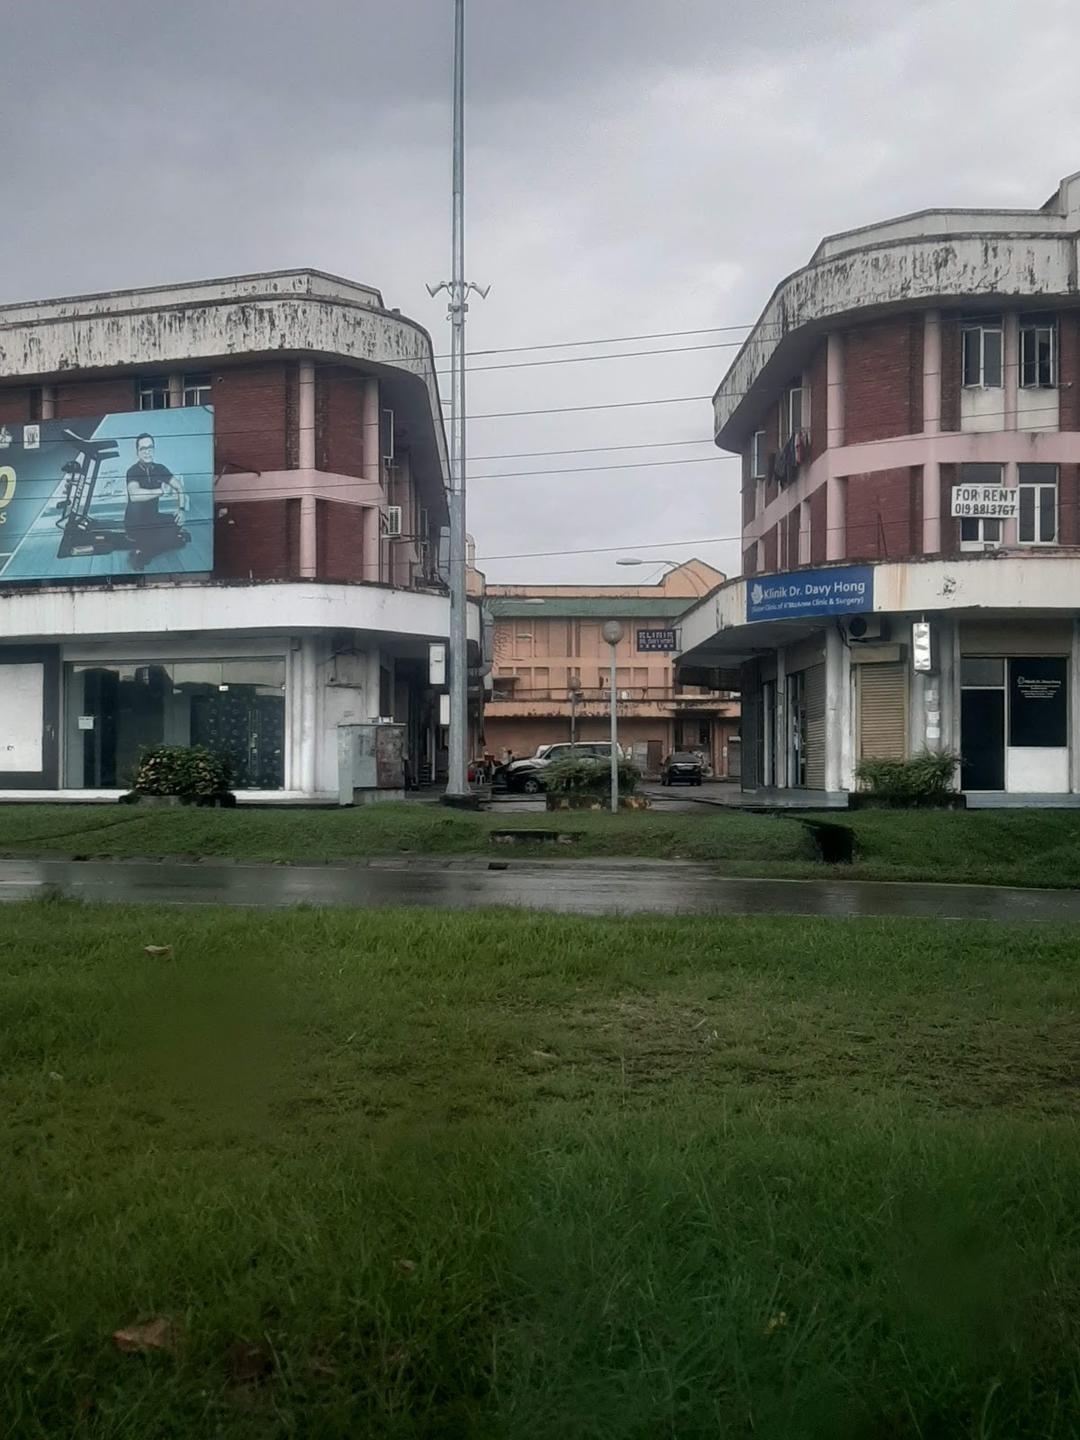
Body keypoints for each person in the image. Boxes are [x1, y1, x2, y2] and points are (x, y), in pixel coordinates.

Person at [125, 433, 185, 570]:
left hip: (153, 518)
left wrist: (181, 510)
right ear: (137, 452)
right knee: (172, 538)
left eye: (150, 448)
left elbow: (179, 487)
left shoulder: (160, 469)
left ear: (154, 449)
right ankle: (148, 551)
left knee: (177, 522)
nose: (147, 452)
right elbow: (134, 495)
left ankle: (143, 551)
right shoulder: (132, 471)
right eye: (143, 449)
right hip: (135, 522)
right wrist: (160, 491)